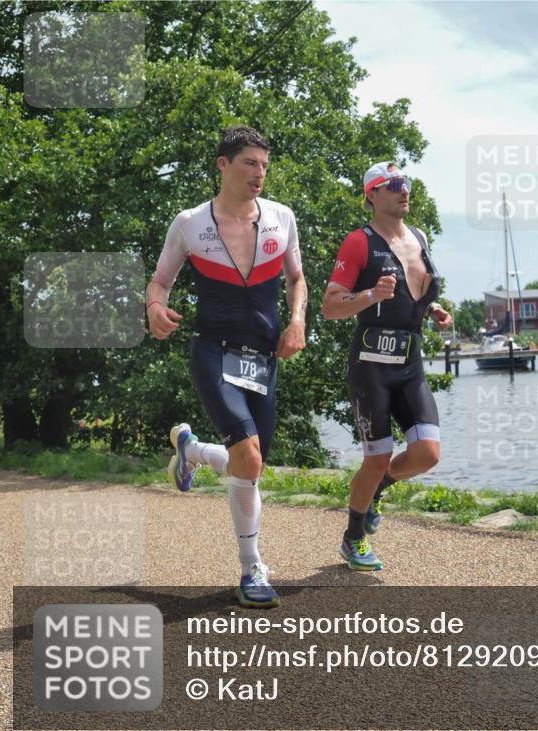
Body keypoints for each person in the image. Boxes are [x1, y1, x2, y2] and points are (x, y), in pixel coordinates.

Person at [145, 126, 306, 608]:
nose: (260, 173)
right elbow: (160, 282)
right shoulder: (191, 223)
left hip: (263, 356)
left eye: (264, 164)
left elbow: (297, 278)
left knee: (249, 466)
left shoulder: (281, 218)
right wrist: (155, 309)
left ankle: (191, 453)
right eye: (249, 163)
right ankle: (252, 569)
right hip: (213, 349)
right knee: (250, 457)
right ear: (223, 164)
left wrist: (297, 322)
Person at [321, 162, 452, 571]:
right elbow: (329, 307)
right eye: (393, 185)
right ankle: (353, 537)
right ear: (372, 195)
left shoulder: (419, 237)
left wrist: (431, 309)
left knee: (427, 453)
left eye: (407, 184)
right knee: (376, 458)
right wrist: (370, 295)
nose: (404, 190)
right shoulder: (359, 243)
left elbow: (411, 295)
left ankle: (377, 492)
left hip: (409, 365)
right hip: (371, 367)